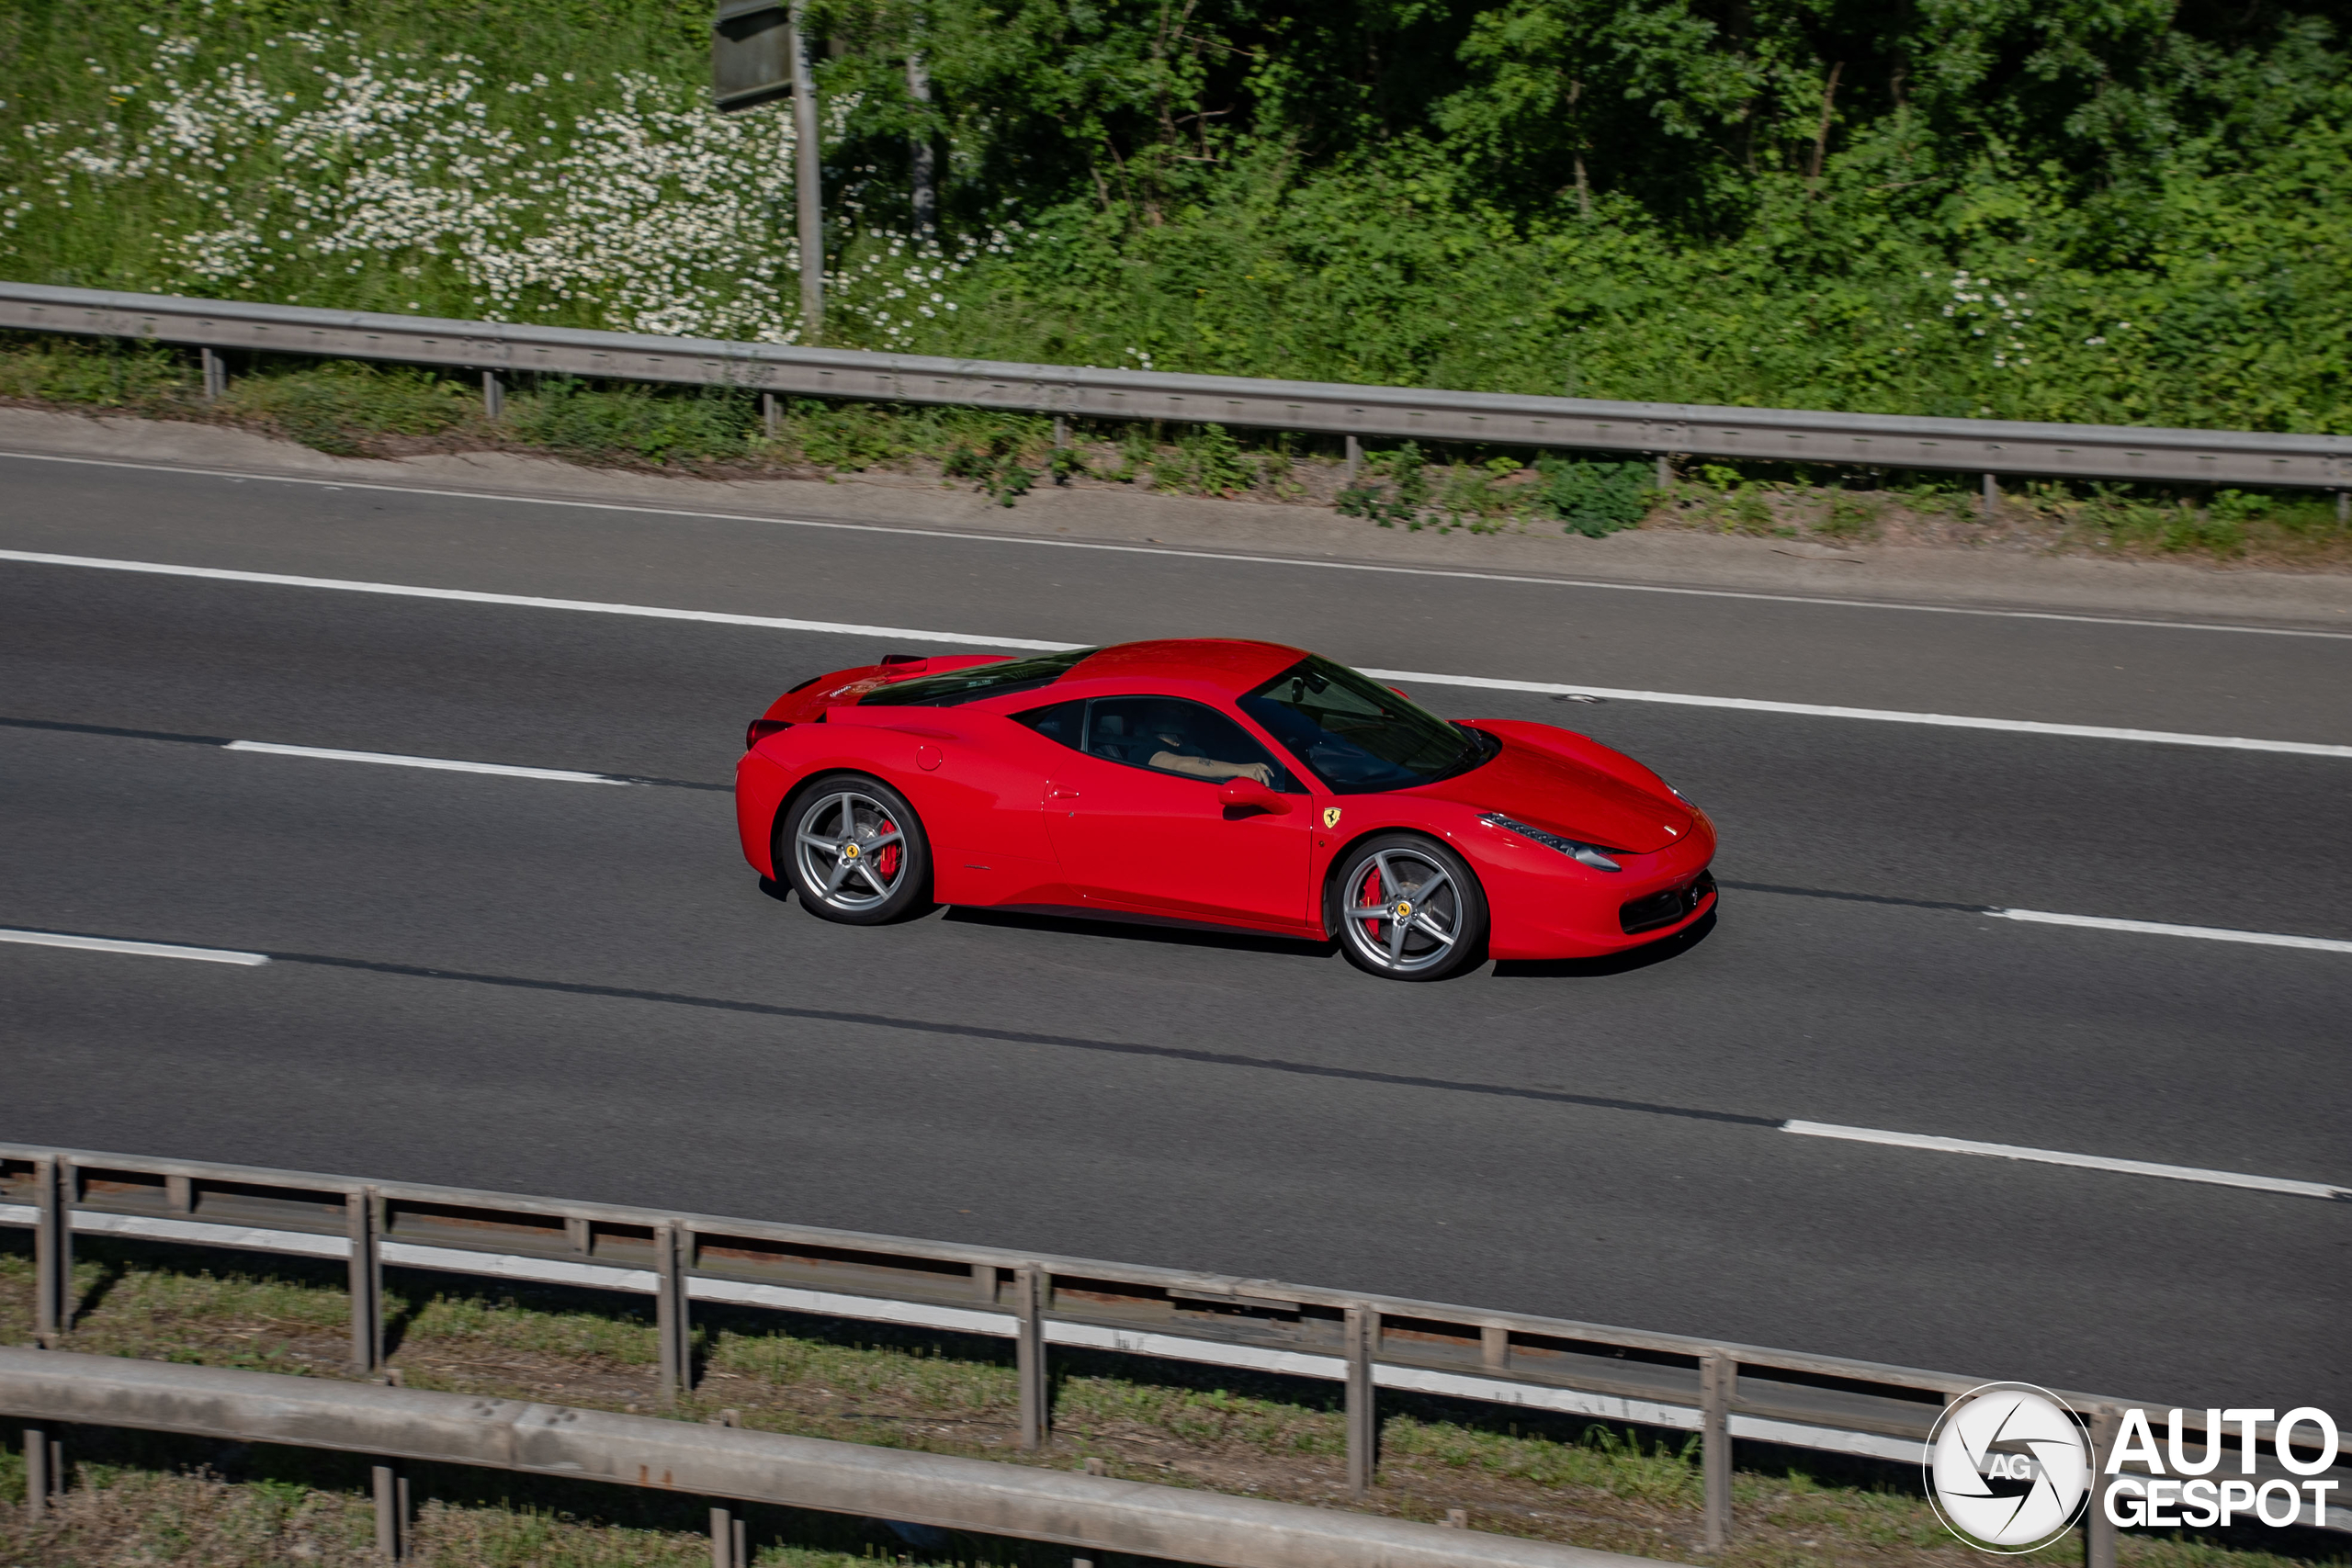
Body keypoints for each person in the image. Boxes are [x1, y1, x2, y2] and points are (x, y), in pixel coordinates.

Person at [1131, 704, 1274, 786]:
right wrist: (1238, 769)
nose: (1188, 713)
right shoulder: (1144, 748)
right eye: (1180, 709)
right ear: (1157, 710)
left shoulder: (1190, 745)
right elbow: (1178, 765)